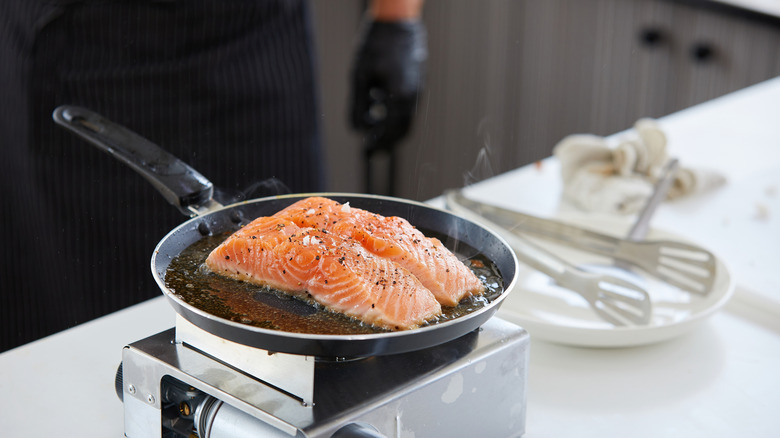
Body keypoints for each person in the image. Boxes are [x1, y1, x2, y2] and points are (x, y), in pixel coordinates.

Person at [0, 0, 426, 352]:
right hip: (68, 40)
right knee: (72, 344)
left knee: (291, 351)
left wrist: (397, 17)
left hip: (252, 39)